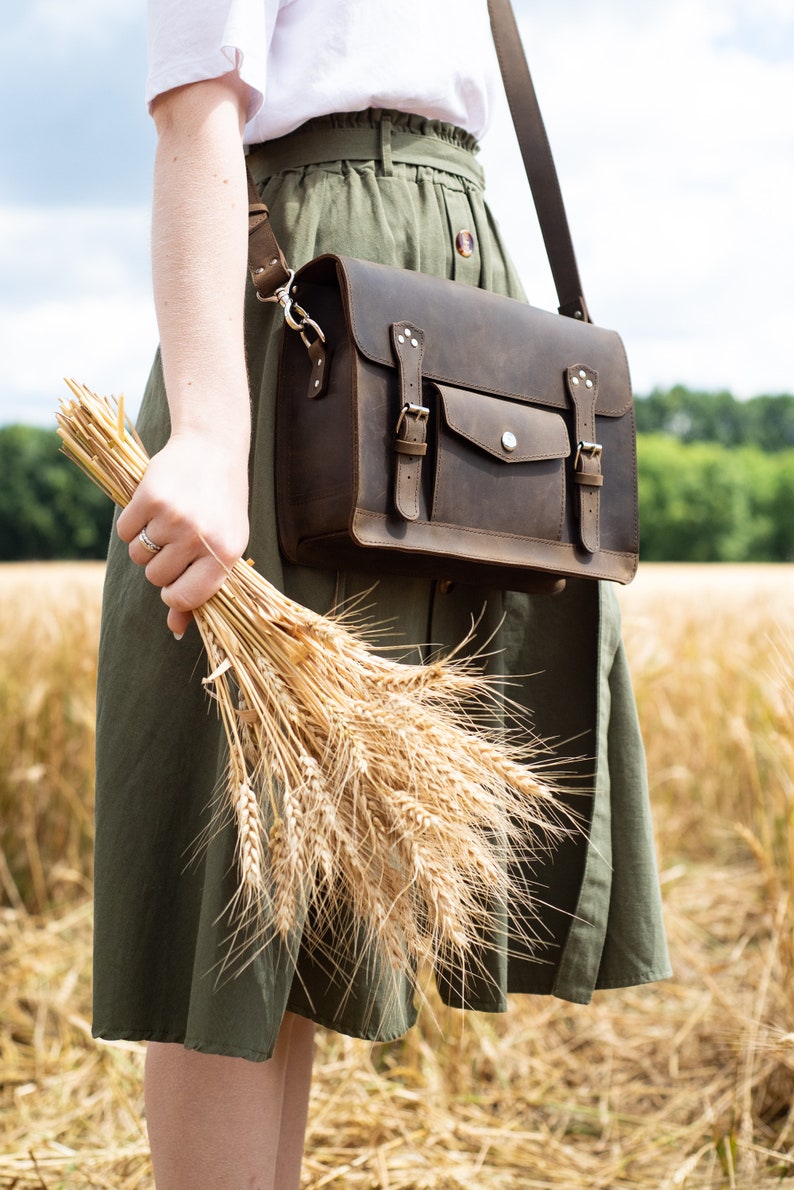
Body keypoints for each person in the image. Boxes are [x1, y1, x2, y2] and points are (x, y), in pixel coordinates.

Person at [92, 2, 671, 1186]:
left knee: (307, 880)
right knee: (242, 877)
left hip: (453, 285)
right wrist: (208, 426)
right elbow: (197, 95)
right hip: (304, 299)